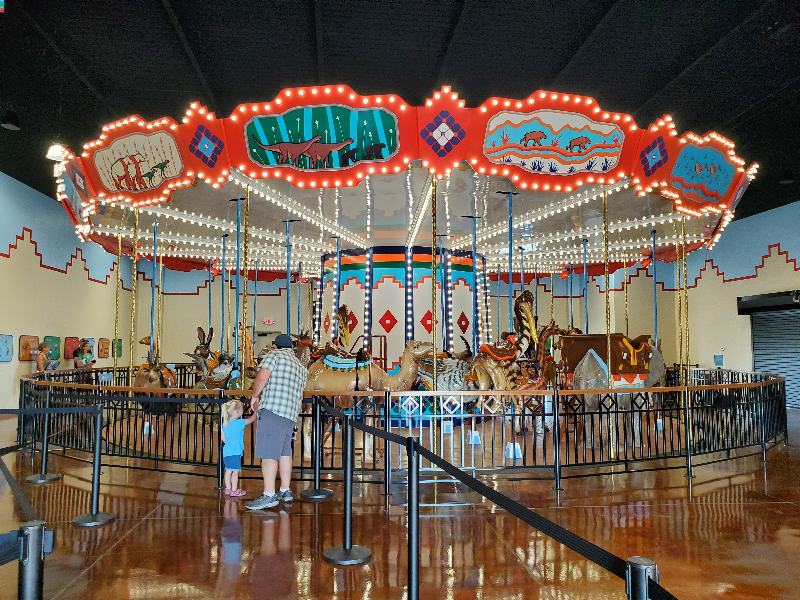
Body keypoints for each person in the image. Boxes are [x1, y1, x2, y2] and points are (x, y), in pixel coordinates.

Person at [245, 333, 307, 510]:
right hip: (289, 413)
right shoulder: (300, 366)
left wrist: (255, 395)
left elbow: (262, 378)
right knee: (284, 451)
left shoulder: (274, 355)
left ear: (275, 346)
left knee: (269, 453)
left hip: (273, 409)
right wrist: (295, 417)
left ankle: (269, 494)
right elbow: (300, 396)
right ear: (291, 348)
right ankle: (285, 490)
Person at [220, 399, 256, 497]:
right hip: (235, 451)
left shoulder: (225, 424)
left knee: (228, 471)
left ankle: (228, 488)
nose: (242, 411)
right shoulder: (239, 422)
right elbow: (252, 419)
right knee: (235, 472)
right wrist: (256, 411)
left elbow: (223, 438)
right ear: (237, 412)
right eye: (241, 410)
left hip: (226, 451)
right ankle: (234, 490)